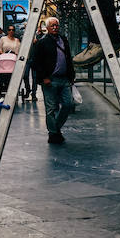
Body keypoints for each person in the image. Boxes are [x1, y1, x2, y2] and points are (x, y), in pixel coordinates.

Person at [33, 16, 75, 144]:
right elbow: (37, 62)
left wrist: (71, 76)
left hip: (64, 79)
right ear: (47, 28)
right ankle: (54, 134)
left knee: (68, 104)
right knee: (51, 108)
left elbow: (68, 58)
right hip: (50, 80)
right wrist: (44, 78)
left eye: (56, 25)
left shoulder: (63, 40)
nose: (55, 27)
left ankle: (54, 130)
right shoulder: (42, 42)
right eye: (52, 26)